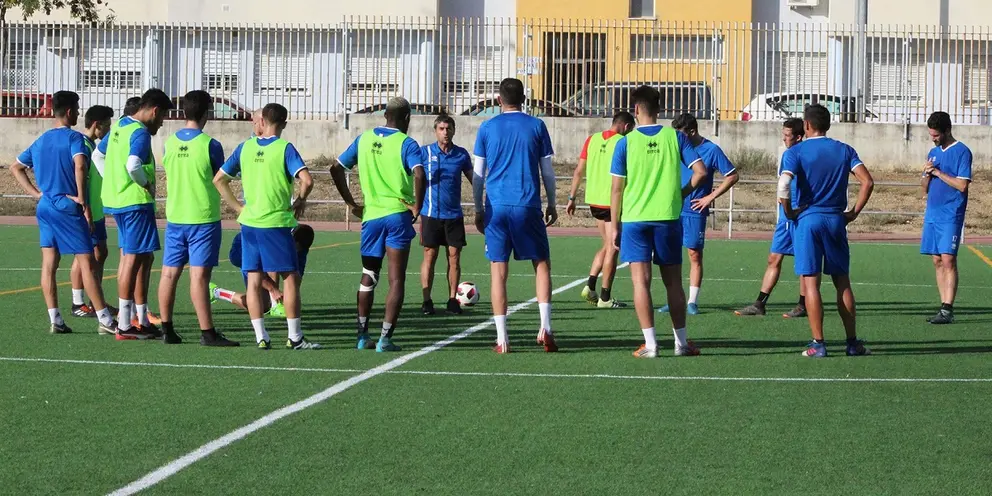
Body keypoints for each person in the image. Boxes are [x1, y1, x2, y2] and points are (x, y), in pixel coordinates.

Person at [610, 85, 707, 358]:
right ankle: (681, 343)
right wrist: (681, 193)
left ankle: (651, 345)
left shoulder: (625, 142)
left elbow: (616, 189)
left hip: (635, 219)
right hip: (667, 218)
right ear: (660, 108)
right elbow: (700, 172)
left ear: (636, 109)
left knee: (640, 283)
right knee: (673, 283)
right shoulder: (676, 137)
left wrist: (614, 226)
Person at [9, 90, 117, 335]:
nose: (78, 113)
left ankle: (55, 319)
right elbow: (80, 165)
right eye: (77, 109)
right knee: (87, 262)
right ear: (69, 111)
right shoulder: (74, 138)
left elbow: (16, 167)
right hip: (67, 206)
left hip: (45, 206)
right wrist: (82, 200)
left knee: (49, 263)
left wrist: (36, 194)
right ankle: (105, 319)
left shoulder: (41, 140)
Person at [214, 103, 318, 350]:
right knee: (290, 278)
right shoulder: (284, 148)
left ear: (262, 121)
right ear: (284, 123)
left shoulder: (245, 147)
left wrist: (238, 208)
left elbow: (219, 180)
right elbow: (307, 180)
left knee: (253, 279)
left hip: (249, 224)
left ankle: (261, 336)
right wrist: (300, 200)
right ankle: (295, 337)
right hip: (275, 223)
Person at [330, 97, 425, 352]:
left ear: (385, 115)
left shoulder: (363, 139)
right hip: (397, 216)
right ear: (407, 118)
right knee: (396, 280)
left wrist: (351, 203)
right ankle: (385, 338)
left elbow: (336, 168)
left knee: (369, 275)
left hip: (371, 217)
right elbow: (419, 173)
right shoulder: (406, 143)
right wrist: (417, 205)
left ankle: (362, 335)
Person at [778, 104, 874, 358]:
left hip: (808, 220)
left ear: (807, 125)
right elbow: (867, 181)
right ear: (828, 125)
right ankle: (852, 343)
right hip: (835, 220)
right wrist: (853, 213)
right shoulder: (844, 149)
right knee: (842, 282)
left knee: (811, 283)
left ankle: (818, 344)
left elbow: (784, 184)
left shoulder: (796, 152)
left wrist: (789, 212)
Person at [472, 78, 558, 354]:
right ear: (524, 99)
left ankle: (502, 339)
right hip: (527, 205)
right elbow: (547, 172)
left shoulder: (487, 127)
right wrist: (552, 203)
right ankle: (545, 328)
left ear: (499, 100)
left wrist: (478, 208)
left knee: (499, 272)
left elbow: (478, 175)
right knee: (541, 264)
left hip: (496, 207)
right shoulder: (537, 125)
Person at [157, 90, 238, 346]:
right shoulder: (210, 145)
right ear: (207, 113)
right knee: (199, 277)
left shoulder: (169, 143)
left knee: (169, 274)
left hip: (176, 216)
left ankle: (167, 329)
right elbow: (220, 177)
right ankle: (207, 333)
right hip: (202, 217)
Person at [93, 88, 172, 340]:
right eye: (163, 117)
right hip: (135, 203)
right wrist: (145, 184)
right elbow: (133, 164)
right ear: (155, 111)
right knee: (132, 258)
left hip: (119, 201)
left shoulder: (119, 126)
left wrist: (113, 180)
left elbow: (98, 155)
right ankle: (125, 324)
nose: (161, 123)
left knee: (144, 257)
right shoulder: (140, 132)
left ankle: (140, 317)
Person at [657, 113, 739, 315]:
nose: (677, 137)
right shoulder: (674, 147)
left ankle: (692, 301)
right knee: (671, 256)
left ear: (692, 131)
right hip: (671, 208)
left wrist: (710, 197)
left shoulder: (711, 150)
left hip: (694, 210)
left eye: (681, 133)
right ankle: (674, 298)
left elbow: (732, 176)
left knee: (694, 253)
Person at [735, 118, 807, 318]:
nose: (783, 138)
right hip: (786, 216)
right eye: (783, 134)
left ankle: (803, 305)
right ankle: (760, 303)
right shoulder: (787, 154)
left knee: (804, 262)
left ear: (798, 137)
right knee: (774, 257)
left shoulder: (804, 153)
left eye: (787, 135)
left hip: (801, 215)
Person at [566, 111, 635, 309]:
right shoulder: (624, 142)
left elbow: (579, 171)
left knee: (606, 244)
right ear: (626, 126)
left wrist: (572, 198)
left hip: (594, 201)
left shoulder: (592, 139)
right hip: (611, 201)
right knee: (613, 248)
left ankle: (590, 286)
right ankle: (605, 297)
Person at [418, 113, 473, 316]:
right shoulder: (425, 153)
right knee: (430, 255)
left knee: (454, 257)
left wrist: (484, 199)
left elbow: (474, 179)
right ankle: (427, 300)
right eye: (441, 129)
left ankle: (452, 300)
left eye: (448, 128)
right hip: (430, 213)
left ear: (454, 131)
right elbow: (410, 175)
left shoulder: (461, 154)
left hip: (454, 215)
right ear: (435, 131)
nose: (445, 132)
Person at [921, 111, 971, 325]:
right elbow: (924, 188)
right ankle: (942, 307)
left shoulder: (962, 152)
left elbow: (962, 185)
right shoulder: (933, 153)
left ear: (947, 131)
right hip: (932, 213)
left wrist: (939, 173)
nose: (933, 139)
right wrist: (926, 174)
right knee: (937, 260)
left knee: (948, 258)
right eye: (931, 135)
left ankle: (948, 309)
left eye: (936, 135)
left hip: (951, 213)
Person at [68, 105, 115, 318]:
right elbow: (81, 179)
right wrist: (84, 206)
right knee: (83, 255)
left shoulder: (94, 146)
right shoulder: (83, 146)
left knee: (100, 253)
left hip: (97, 209)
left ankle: (95, 301)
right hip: (88, 210)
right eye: (107, 125)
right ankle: (78, 303)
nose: (108, 130)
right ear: (97, 125)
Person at [210, 224, 314, 313]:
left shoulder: (302, 246)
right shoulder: (275, 238)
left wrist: (290, 298)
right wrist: (274, 290)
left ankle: (216, 292)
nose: (295, 251)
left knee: (262, 306)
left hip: (265, 255)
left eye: (297, 250)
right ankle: (275, 306)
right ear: (290, 240)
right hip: (244, 249)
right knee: (258, 302)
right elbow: (261, 270)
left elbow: (296, 278)